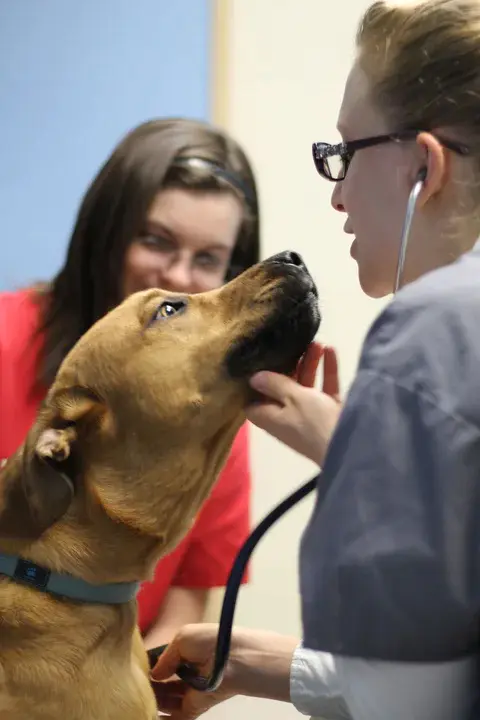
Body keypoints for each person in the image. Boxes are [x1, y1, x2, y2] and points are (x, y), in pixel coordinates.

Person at [150, 1, 480, 718]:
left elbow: (408, 700)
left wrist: (362, 464)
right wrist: (260, 664)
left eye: (346, 153)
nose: (336, 194)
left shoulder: (431, 329)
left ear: (424, 164)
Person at [0, 117, 261, 651]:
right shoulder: (6, 338)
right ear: (106, 235)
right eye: (156, 241)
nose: (179, 276)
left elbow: (186, 607)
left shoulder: (210, 412)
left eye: (208, 259)